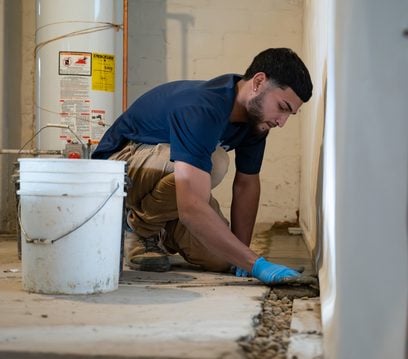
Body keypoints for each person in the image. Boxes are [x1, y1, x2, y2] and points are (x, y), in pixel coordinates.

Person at [92, 48, 313, 286]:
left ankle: (161, 231)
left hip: (163, 180)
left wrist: (244, 258)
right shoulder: (202, 108)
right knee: (216, 162)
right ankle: (140, 231)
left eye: (290, 114)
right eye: (282, 107)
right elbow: (190, 207)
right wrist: (258, 265)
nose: (282, 122)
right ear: (258, 82)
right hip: (116, 174)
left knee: (222, 258)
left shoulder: (256, 122)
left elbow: (246, 184)